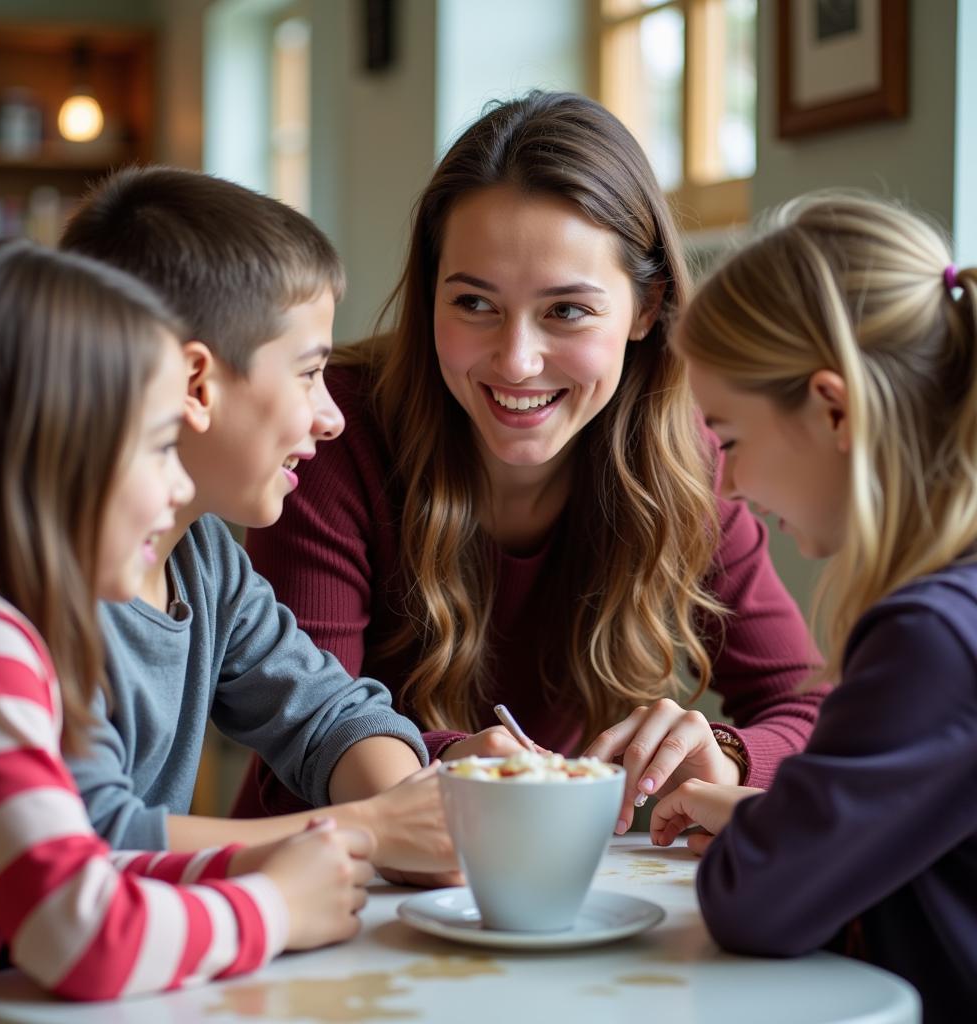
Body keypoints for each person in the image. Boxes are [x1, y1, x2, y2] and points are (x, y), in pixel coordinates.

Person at [238, 90, 826, 832]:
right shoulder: (333, 436)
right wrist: (455, 764)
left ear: (648, 309)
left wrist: (730, 753)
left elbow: (807, 706)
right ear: (429, 299)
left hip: (556, 880)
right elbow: (303, 737)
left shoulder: (690, 464)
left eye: (566, 311)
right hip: (330, 884)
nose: (516, 361)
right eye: (475, 304)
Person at [0, 239, 375, 1000]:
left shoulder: (5, 632)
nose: (179, 482)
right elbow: (79, 933)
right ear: (55, 459)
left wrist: (276, 867)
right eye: (156, 449)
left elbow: (83, 865)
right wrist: (275, 907)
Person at [58, 167, 455, 885]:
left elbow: (328, 715)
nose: (332, 415)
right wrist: (370, 830)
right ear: (197, 386)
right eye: (308, 374)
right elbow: (84, 834)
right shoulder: (40, 580)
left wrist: (418, 808)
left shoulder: (203, 555)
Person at [649, 194, 977, 1020]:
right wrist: (768, 815)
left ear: (834, 408)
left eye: (727, 439)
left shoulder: (931, 639)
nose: (728, 483)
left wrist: (764, 839)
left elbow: (755, 903)